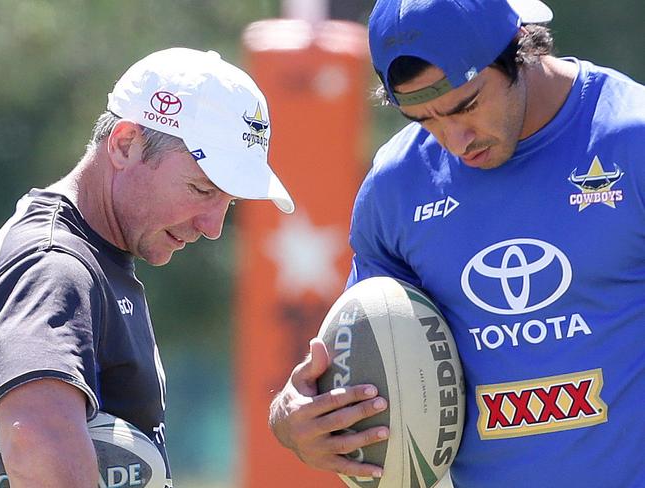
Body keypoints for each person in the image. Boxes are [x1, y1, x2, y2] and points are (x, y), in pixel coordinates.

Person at [269, 0, 645, 486]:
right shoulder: (397, 188)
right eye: (424, 120)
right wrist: (294, 418)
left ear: (519, 47)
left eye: (465, 105)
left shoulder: (630, 140)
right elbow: (367, 355)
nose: (455, 141)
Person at [0, 47, 294, 487]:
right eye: (201, 189)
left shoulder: (93, 259)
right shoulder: (57, 265)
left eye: (228, 204)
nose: (212, 228)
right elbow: (34, 437)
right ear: (125, 144)